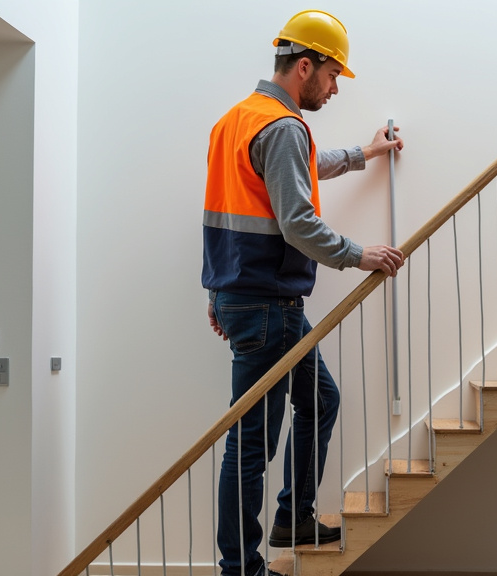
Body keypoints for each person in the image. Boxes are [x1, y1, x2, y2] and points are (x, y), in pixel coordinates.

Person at [202, 9, 404, 576]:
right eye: (333, 76)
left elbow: (239, 204)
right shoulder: (284, 127)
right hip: (269, 305)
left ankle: (294, 518)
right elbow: (297, 222)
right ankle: (240, 567)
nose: (335, 89)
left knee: (318, 401)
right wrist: (360, 254)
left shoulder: (236, 121)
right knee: (250, 443)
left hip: (245, 296)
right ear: (305, 66)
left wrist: (218, 292)